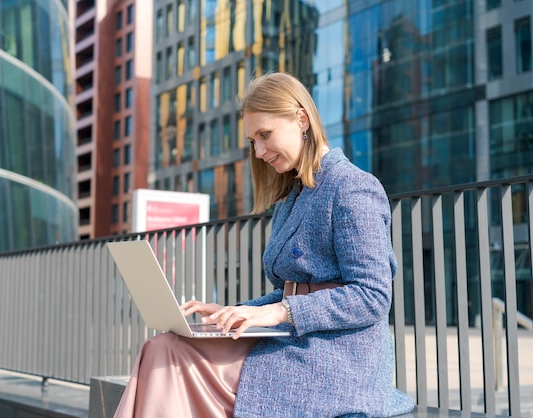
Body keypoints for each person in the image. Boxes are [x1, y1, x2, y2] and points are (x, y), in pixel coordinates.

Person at [113, 72, 415, 417]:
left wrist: (278, 312)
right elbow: (292, 293)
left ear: (301, 119)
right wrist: (233, 312)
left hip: (338, 358)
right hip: (296, 342)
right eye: (253, 141)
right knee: (164, 346)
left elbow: (372, 295)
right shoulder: (292, 197)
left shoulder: (352, 188)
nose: (258, 151)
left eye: (264, 135)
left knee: (168, 357)